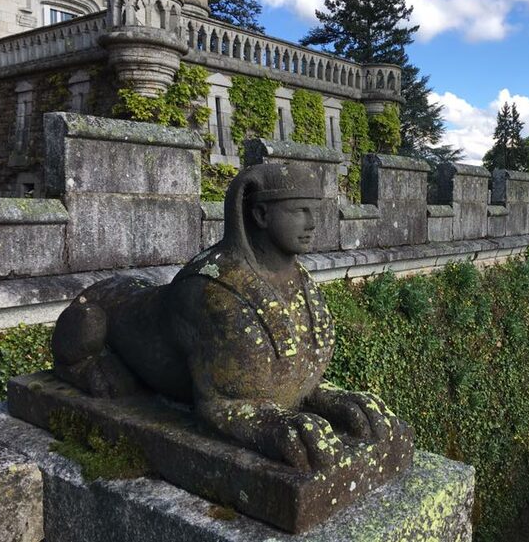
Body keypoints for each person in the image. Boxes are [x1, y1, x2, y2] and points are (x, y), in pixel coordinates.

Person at [51, 163, 401, 470]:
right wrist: (271, 427)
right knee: (89, 323)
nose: (313, 224)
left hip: (145, 299)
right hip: (105, 306)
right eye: (298, 211)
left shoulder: (302, 283)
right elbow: (216, 404)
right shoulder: (209, 290)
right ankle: (78, 365)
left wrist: (323, 397)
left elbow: (280, 377)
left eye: (315, 210)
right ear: (261, 216)